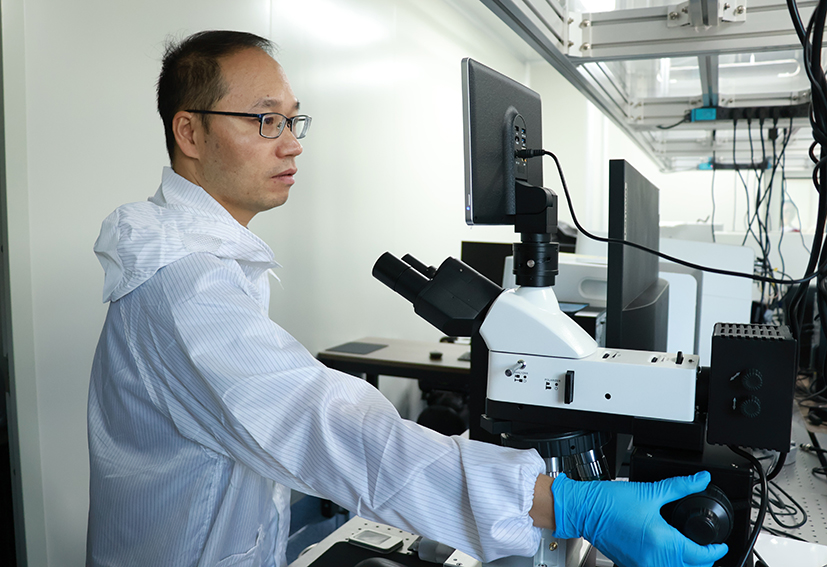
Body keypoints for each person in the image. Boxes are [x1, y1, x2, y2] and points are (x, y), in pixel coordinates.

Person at [87, 30, 729, 567]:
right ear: (190, 133)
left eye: (292, 119)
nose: (292, 142)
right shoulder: (183, 288)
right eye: (265, 120)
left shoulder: (209, 263)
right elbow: (328, 427)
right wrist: (567, 505)